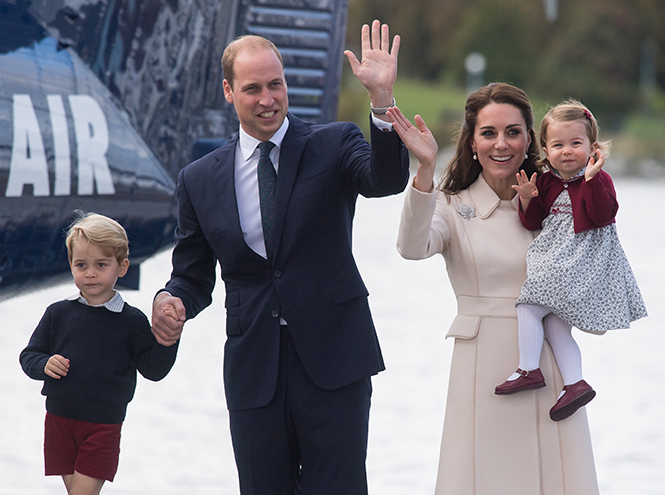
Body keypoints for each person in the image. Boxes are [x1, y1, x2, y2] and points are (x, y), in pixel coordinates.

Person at [150, 20, 409, 494]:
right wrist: (171, 301)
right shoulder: (199, 178)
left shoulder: (333, 143)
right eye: (253, 89)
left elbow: (385, 181)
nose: (268, 98)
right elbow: (191, 276)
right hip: (254, 372)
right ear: (229, 92)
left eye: (276, 84)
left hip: (335, 363)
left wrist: (381, 102)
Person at [390, 83, 599, 494]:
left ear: (529, 141)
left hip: (551, 372)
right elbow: (412, 248)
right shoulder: (452, 205)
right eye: (488, 133)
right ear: (471, 142)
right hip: (483, 374)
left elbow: (591, 277)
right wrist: (426, 169)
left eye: (512, 132)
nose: (500, 144)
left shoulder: (559, 203)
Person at [494, 100, 647, 420]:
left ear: (592, 147)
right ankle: (575, 383)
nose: (567, 151)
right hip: (557, 258)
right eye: (558, 145)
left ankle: (528, 369)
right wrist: (525, 199)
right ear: (545, 149)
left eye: (576, 143)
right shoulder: (547, 182)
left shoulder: (598, 178)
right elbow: (532, 222)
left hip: (580, 262)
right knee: (554, 323)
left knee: (528, 304)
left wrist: (591, 179)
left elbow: (603, 215)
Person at [19, 212, 179, 495]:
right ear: (70, 265)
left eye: (101, 264)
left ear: (122, 267)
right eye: (82, 264)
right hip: (58, 421)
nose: (90, 273)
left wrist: (169, 339)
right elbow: (29, 356)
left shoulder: (132, 321)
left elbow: (153, 370)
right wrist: (44, 364)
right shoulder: (57, 313)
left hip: (103, 425)